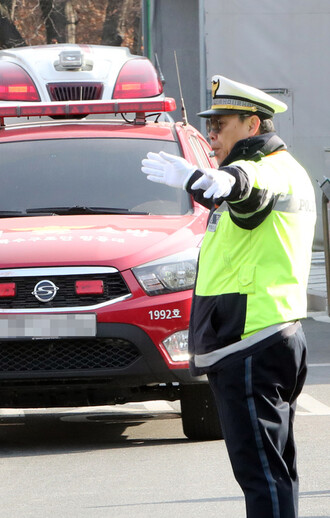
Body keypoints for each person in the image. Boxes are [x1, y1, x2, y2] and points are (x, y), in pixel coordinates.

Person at [141, 75, 314, 517]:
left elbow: (248, 187)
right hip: (265, 336)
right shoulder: (276, 168)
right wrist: (198, 179)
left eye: (221, 124)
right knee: (274, 473)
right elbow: (235, 198)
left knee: (262, 479)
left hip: (251, 343)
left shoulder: (267, 170)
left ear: (253, 125)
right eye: (210, 125)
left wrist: (223, 179)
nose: (211, 134)